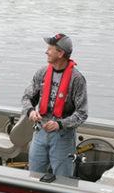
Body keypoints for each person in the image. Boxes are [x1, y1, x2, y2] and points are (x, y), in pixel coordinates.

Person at [21, 33, 88, 177]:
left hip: (63, 137)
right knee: (33, 177)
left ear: (60, 53)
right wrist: (31, 112)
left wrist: (60, 124)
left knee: (63, 182)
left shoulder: (77, 79)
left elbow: (82, 114)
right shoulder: (42, 73)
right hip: (39, 133)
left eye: (50, 48)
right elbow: (26, 98)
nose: (46, 51)